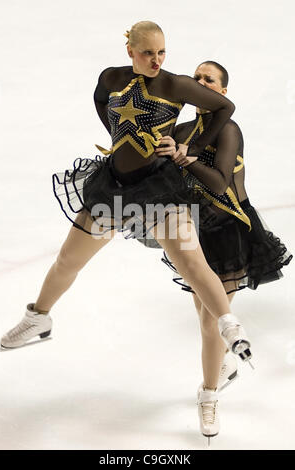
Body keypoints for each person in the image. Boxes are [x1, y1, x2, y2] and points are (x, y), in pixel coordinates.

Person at [0, 22, 252, 444]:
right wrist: (120, 137)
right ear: (131, 50)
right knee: (68, 258)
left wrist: (189, 148)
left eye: (163, 53)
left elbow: (225, 110)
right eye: (149, 53)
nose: (157, 61)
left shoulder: (175, 84)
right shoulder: (112, 78)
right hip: (113, 187)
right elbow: (103, 103)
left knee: (190, 260)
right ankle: (37, 318)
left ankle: (230, 327)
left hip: (159, 188)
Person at [152, 60, 292, 442]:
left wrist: (186, 158)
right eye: (196, 78)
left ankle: (208, 394)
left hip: (231, 227)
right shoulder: (181, 129)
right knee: (204, 314)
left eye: (208, 79)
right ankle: (222, 368)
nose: (199, 83)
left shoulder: (228, 129)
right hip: (197, 230)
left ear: (222, 92)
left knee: (212, 319)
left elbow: (218, 182)